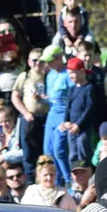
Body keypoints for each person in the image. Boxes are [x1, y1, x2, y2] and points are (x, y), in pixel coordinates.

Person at [11, 48, 49, 175]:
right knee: (28, 155)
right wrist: (26, 113)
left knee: (45, 153)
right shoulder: (24, 76)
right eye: (34, 60)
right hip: (29, 118)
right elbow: (15, 97)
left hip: (46, 117)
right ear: (28, 62)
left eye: (41, 60)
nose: (38, 63)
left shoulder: (49, 76)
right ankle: (30, 182)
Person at [41, 45, 72, 185]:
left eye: (50, 60)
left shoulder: (68, 75)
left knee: (59, 150)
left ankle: (69, 181)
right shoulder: (50, 75)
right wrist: (41, 98)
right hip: (51, 114)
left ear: (59, 58)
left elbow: (72, 97)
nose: (47, 64)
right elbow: (51, 96)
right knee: (48, 151)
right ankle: (55, 182)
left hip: (63, 114)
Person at [62, 56, 100, 165]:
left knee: (83, 153)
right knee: (73, 154)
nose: (70, 76)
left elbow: (89, 108)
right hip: (71, 128)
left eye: (73, 73)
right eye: (69, 73)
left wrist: (78, 125)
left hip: (83, 128)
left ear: (82, 71)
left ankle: (86, 176)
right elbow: (68, 107)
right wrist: (66, 121)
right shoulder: (72, 89)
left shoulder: (89, 88)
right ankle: (75, 176)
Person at [0, 103, 28, 171]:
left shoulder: (20, 133)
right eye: (1, 122)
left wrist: (3, 157)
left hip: (17, 168)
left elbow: (24, 152)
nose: (4, 124)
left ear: (13, 119)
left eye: (7, 121)